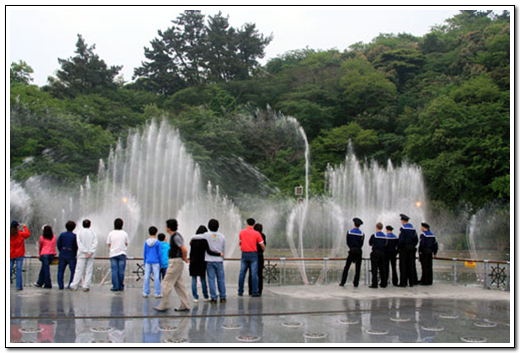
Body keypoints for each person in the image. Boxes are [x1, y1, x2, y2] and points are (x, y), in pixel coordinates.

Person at [154, 219, 191, 312]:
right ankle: (185, 304)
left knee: (165, 283)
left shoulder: (175, 237)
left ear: (169, 227)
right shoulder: (175, 236)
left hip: (175, 262)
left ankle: (164, 304)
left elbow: (184, 249)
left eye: (166, 226)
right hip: (176, 262)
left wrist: (185, 257)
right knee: (179, 285)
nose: (165, 227)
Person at [190, 219, 227, 304]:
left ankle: (213, 298)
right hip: (219, 261)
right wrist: (222, 257)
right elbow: (223, 249)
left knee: (211, 279)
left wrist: (191, 240)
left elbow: (195, 237)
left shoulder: (206, 235)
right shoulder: (222, 236)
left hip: (209, 260)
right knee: (221, 279)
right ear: (218, 226)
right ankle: (223, 296)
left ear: (209, 226)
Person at [238, 218, 265, 297]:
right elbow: (262, 244)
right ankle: (255, 291)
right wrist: (263, 249)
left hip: (244, 254)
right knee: (254, 273)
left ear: (246, 223)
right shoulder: (257, 233)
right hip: (253, 254)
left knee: (242, 273)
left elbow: (240, 243)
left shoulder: (242, 232)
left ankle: (240, 291)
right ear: (254, 224)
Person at [69, 219, 98, 292]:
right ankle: (86, 286)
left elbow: (79, 243)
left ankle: (74, 285)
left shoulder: (79, 233)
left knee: (79, 270)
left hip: (82, 254)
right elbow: (95, 243)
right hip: (91, 255)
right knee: (89, 270)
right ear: (90, 225)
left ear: (82, 225)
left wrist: (85, 251)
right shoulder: (93, 233)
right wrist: (90, 252)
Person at [339, 218, 365, 288]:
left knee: (347, 266)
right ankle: (356, 283)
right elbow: (361, 244)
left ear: (354, 224)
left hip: (352, 250)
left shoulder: (349, 232)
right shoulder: (362, 234)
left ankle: (343, 282)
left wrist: (351, 247)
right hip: (359, 251)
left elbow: (347, 242)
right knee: (358, 268)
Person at [106, 218, 129, 292]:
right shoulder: (125, 233)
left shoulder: (111, 233)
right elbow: (126, 243)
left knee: (114, 271)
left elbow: (109, 244)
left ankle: (115, 286)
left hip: (113, 254)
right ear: (122, 225)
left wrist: (113, 248)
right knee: (121, 271)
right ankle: (121, 286)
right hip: (122, 253)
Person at [398, 214, 418, 287]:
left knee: (403, 265)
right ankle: (411, 282)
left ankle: (403, 282)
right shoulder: (413, 229)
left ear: (403, 221)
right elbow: (416, 240)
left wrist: (399, 247)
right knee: (411, 265)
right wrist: (412, 246)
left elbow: (401, 240)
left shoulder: (403, 228)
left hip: (404, 248)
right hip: (412, 248)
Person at [57, 220, 78, 290]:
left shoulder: (62, 235)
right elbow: (76, 246)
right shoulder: (75, 236)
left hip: (63, 254)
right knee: (73, 271)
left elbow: (58, 244)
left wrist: (61, 250)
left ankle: (60, 285)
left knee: (61, 270)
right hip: (71, 255)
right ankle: (70, 284)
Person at [10, 221, 31, 290]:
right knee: (19, 270)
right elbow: (28, 234)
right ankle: (18, 286)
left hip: (10, 254)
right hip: (19, 254)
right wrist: (24, 226)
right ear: (17, 226)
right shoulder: (20, 234)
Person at [143, 226, 162, 298]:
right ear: (156, 233)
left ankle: (145, 292)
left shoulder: (146, 242)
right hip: (156, 261)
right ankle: (157, 293)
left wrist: (145, 262)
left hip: (148, 261)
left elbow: (145, 253)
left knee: (146, 276)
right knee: (156, 277)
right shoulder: (158, 243)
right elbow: (159, 254)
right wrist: (160, 263)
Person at [248, 223, 266, 296]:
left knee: (251, 273)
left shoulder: (252, 235)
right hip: (260, 256)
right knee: (260, 274)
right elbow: (264, 246)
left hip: (252, 255)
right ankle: (260, 290)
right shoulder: (263, 236)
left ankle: (251, 290)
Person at [368, 222, 387, 289]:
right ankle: (383, 283)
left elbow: (370, 243)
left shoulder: (374, 235)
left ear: (376, 227)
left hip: (375, 252)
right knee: (382, 268)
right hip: (382, 253)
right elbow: (385, 244)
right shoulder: (385, 236)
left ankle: (374, 283)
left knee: (374, 268)